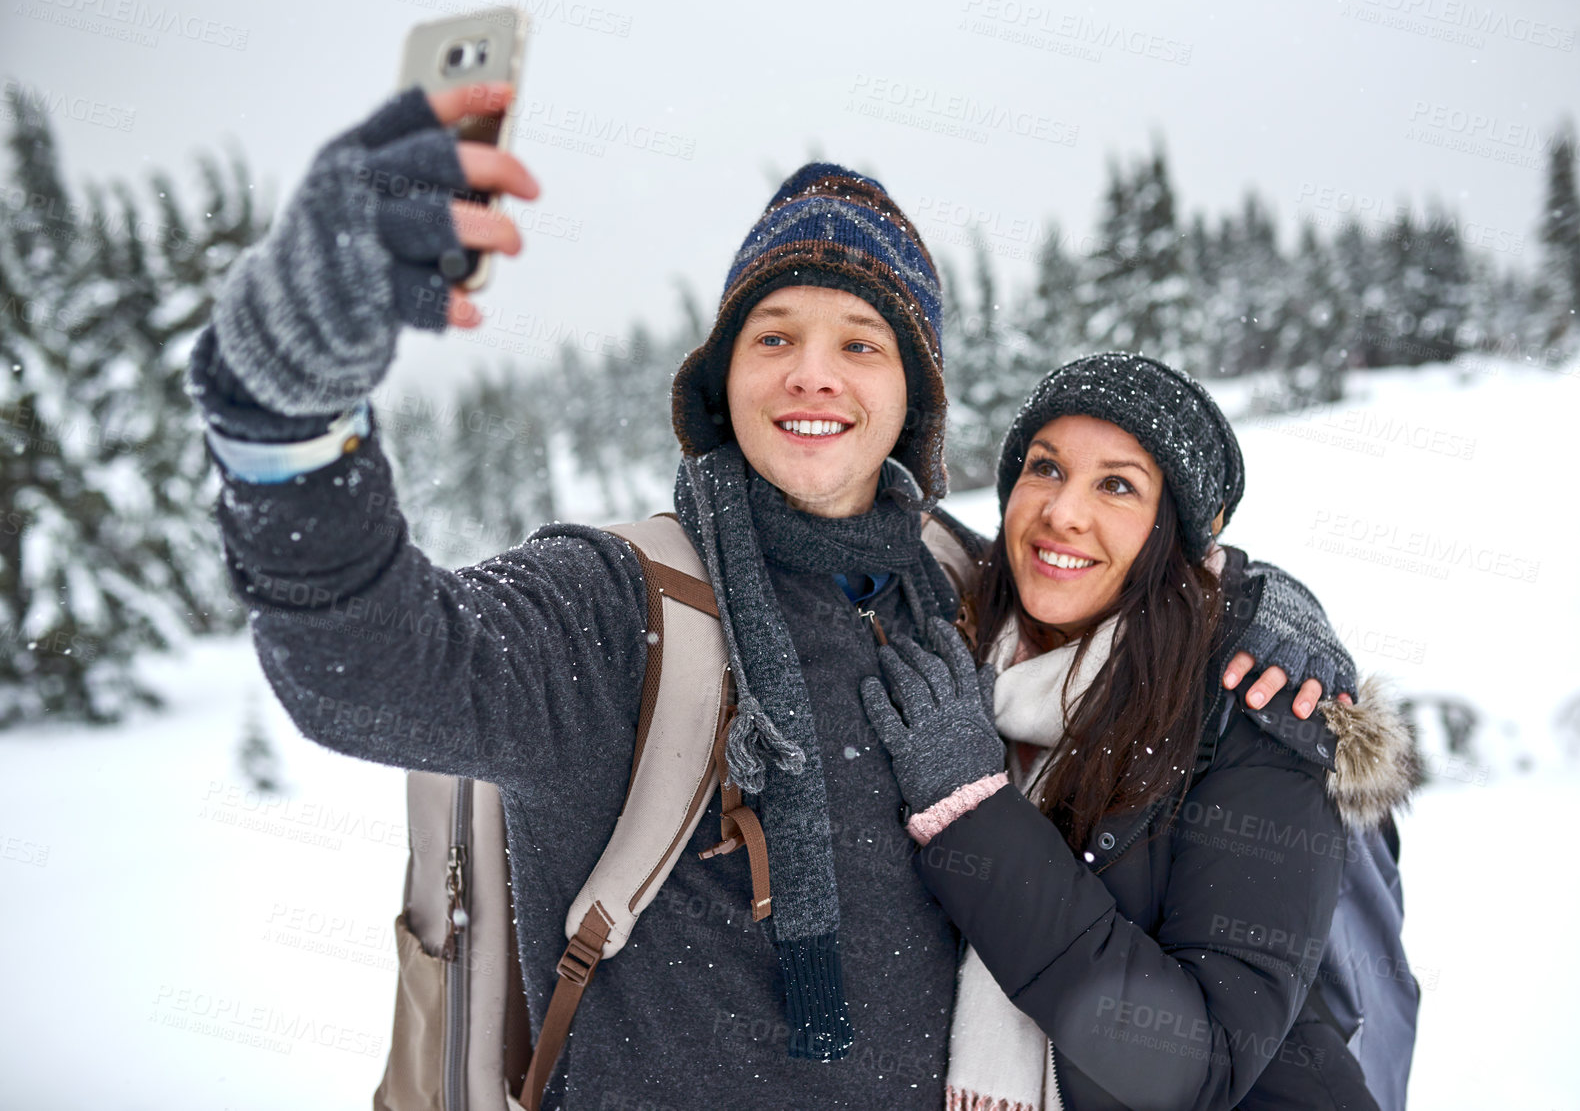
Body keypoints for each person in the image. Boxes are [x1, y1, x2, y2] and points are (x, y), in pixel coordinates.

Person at [186, 82, 1360, 1109]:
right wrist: (285, 416)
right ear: (723, 383)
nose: (812, 371)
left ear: (914, 402)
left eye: (862, 343)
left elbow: (1133, 582)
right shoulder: (617, 604)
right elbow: (375, 675)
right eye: (774, 335)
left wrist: (1264, 613)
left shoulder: (958, 591)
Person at [859, 352, 1418, 1111]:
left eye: (1116, 484)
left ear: (1173, 535)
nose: (1062, 511)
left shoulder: (1256, 713)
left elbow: (1198, 1067)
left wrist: (973, 812)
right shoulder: (964, 653)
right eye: (1044, 467)